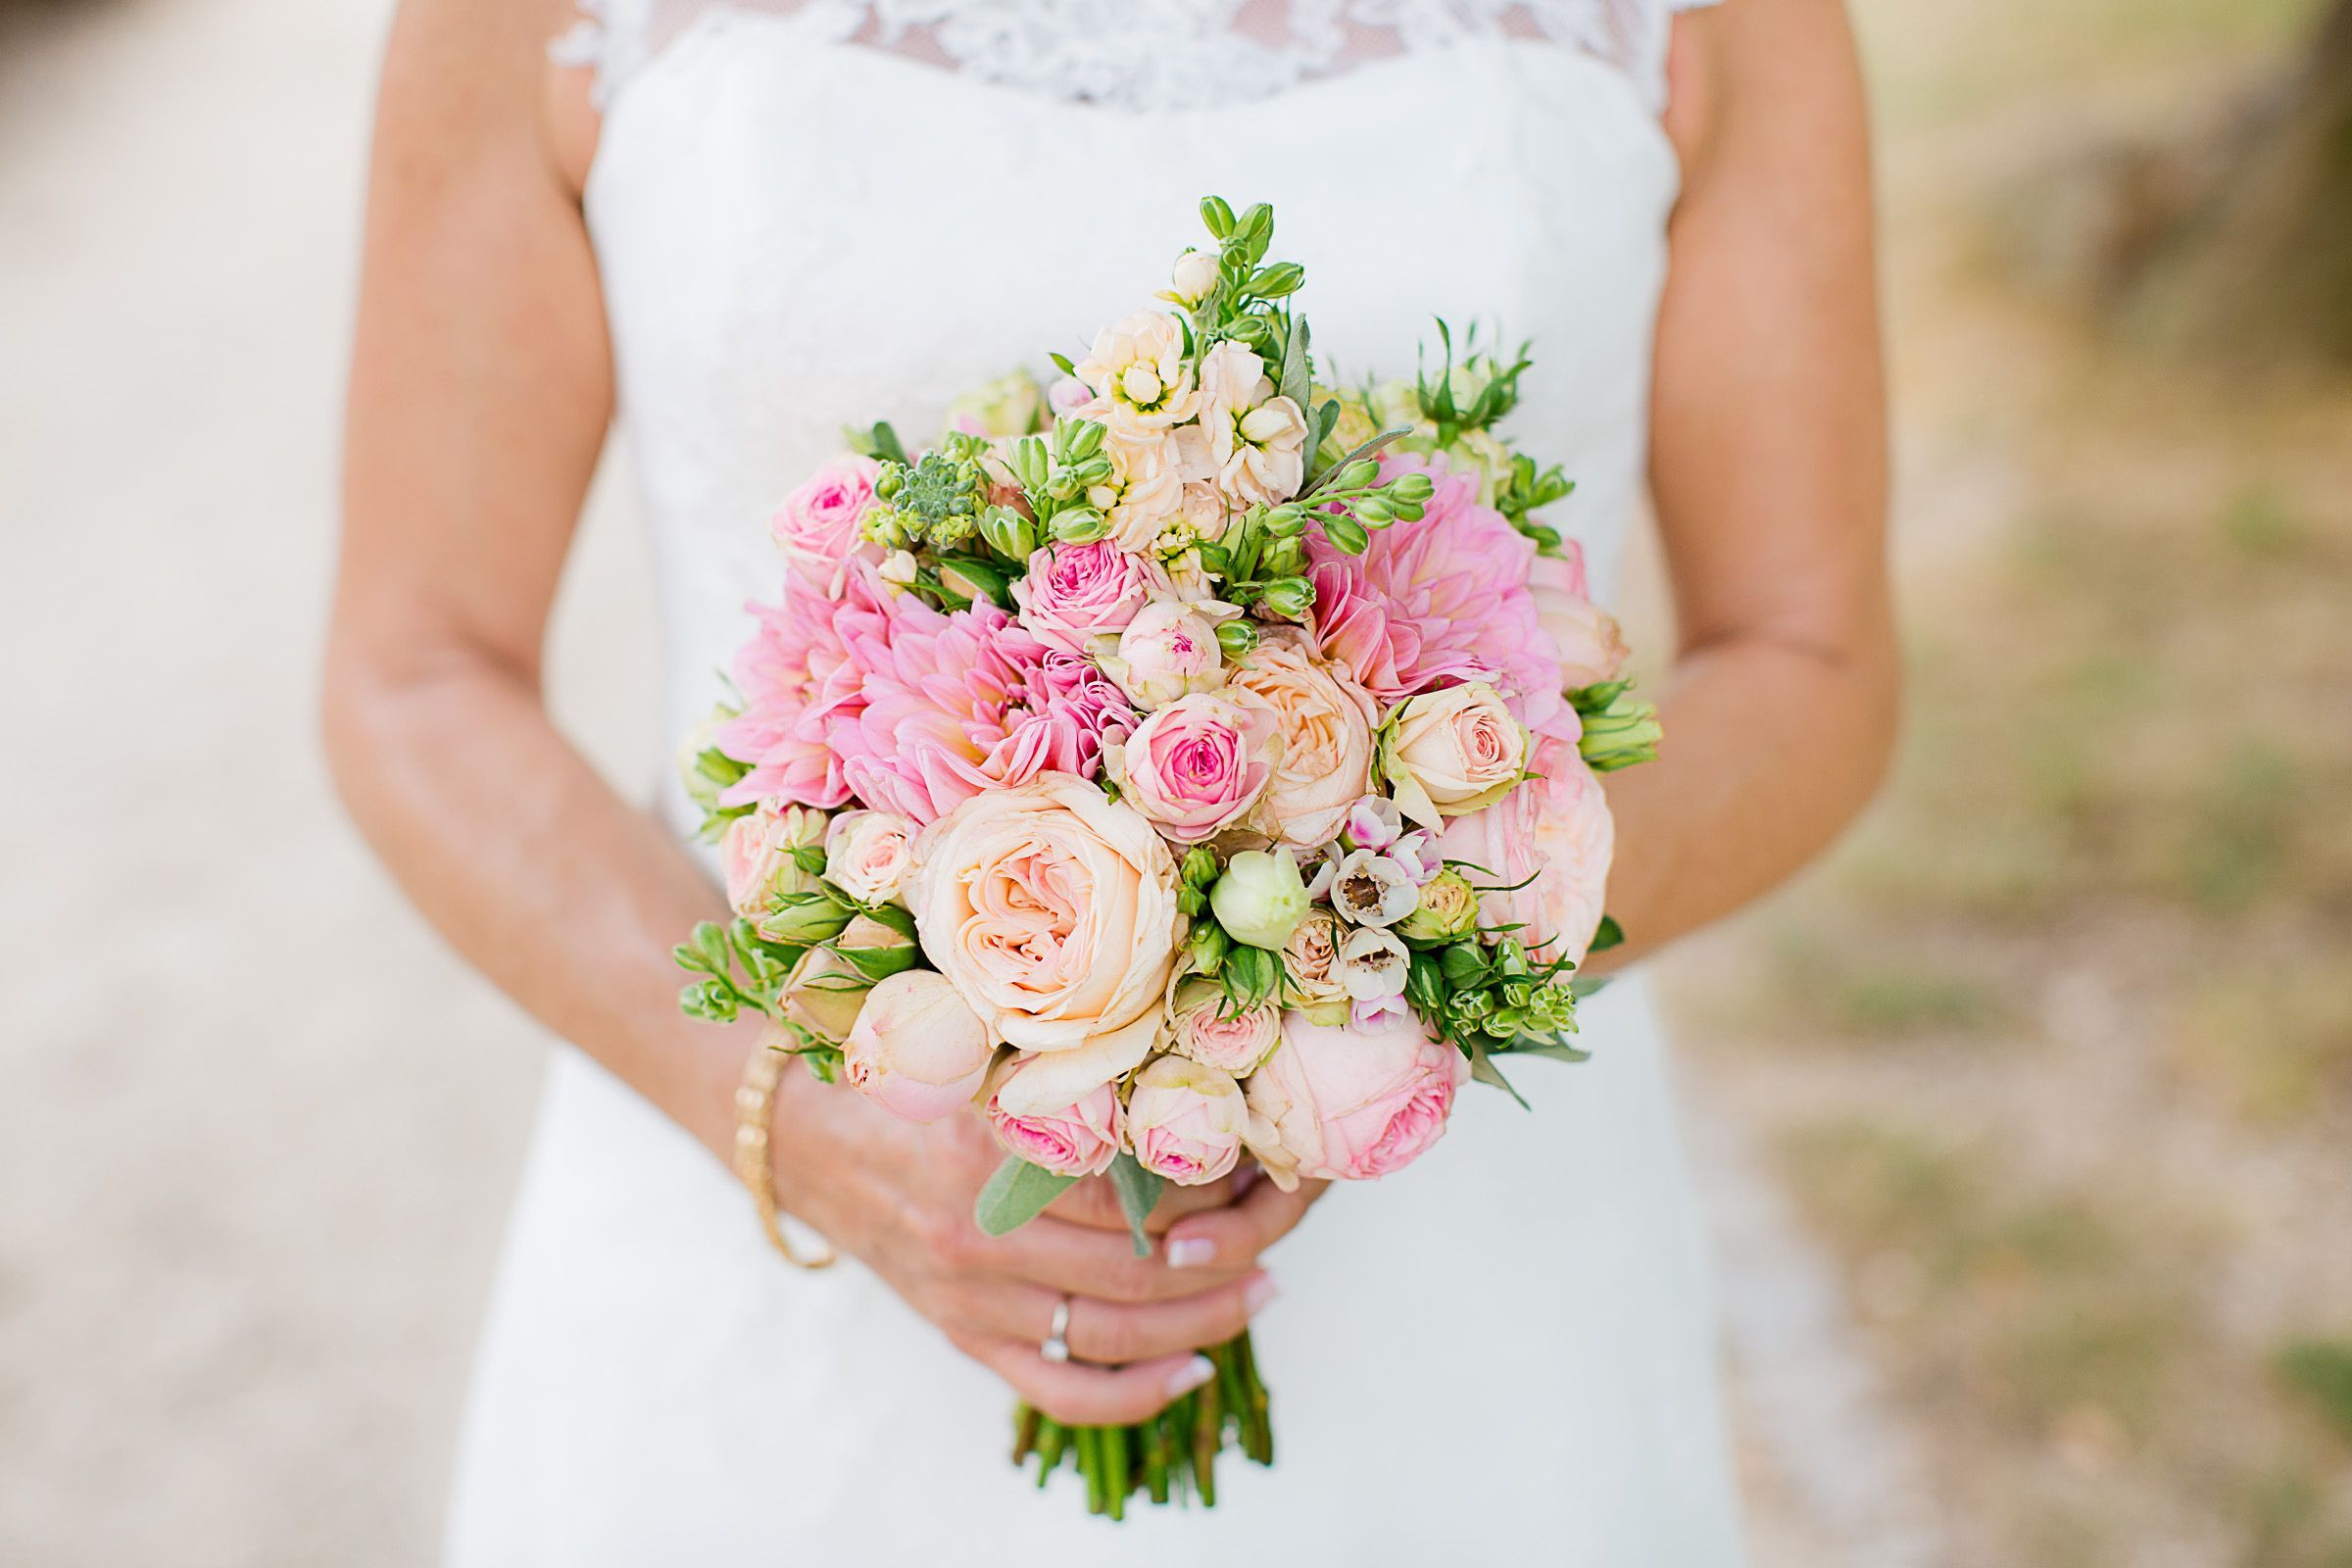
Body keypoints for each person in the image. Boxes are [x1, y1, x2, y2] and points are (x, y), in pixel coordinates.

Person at [324, 0, 1894, 1559]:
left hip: (1471, 1293)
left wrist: (1390, 980)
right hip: (765, 1263)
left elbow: (1812, 658)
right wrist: (795, 1118)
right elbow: (418, 672)